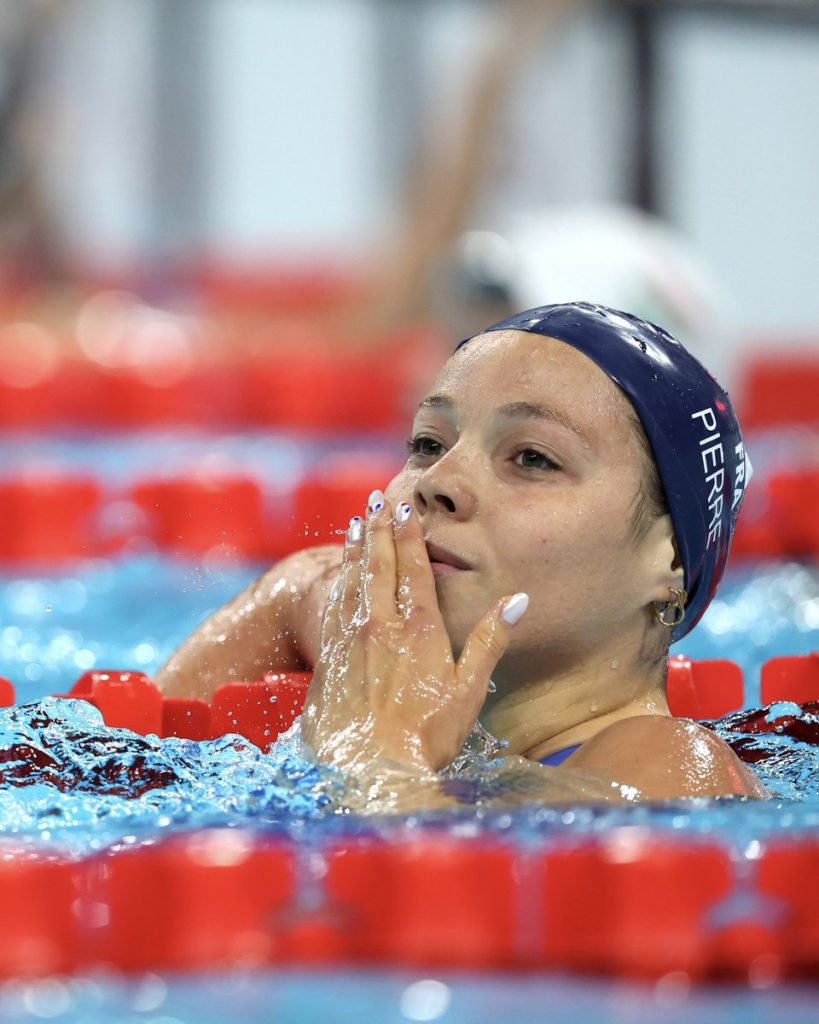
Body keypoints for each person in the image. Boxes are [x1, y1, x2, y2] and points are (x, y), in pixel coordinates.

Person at [156, 302, 768, 809]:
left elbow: (419, 913)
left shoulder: (674, 774)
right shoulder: (372, 640)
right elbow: (118, 756)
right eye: (428, 443)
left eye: (532, 458)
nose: (437, 481)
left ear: (670, 562)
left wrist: (374, 755)